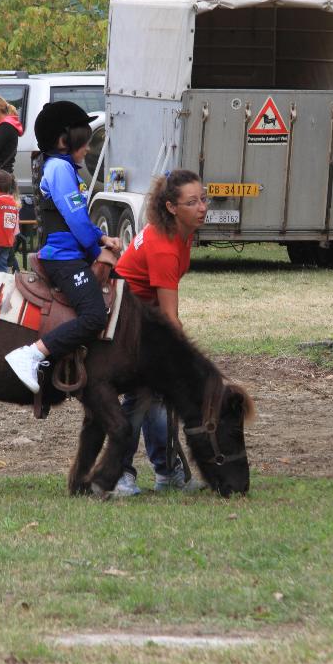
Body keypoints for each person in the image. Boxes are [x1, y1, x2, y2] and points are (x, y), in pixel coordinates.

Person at [3, 101, 120, 393]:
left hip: (69, 252)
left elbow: (77, 218)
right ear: (63, 140)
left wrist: (103, 238)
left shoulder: (62, 167)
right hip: (64, 259)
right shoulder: (59, 169)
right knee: (94, 316)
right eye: (84, 140)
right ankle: (32, 354)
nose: (88, 148)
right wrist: (97, 251)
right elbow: (77, 220)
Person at [112, 169, 209, 496]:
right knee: (141, 395)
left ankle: (167, 471)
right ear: (171, 207)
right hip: (124, 319)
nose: (202, 207)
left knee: (152, 396)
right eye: (192, 202)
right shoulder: (165, 246)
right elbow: (170, 317)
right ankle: (118, 472)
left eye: (203, 199)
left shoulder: (182, 232)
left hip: (144, 317)